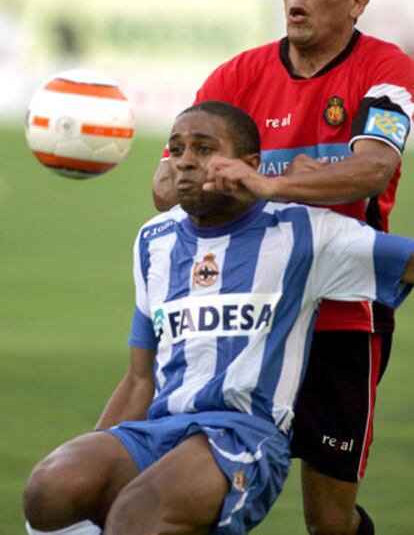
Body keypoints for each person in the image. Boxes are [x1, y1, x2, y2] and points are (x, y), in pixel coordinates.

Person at [23, 101, 414, 535]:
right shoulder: (155, 240)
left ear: (250, 164)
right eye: (176, 149)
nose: (186, 161)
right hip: (160, 431)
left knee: (137, 517)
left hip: (243, 437)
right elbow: (139, 379)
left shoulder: (305, 230)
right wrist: (99, 452)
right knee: (51, 489)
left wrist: (275, 188)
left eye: (204, 149)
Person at [151, 0, 414, 534]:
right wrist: (238, 177)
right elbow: (167, 187)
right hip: (245, 312)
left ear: (356, 2)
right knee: (185, 493)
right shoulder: (236, 75)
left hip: (342, 310)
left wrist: (264, 183)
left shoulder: (385, 68)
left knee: (327, 520)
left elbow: (374, 166)